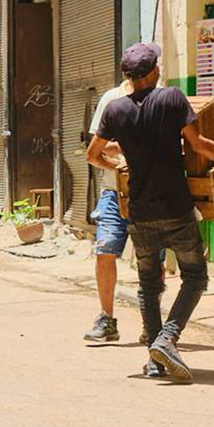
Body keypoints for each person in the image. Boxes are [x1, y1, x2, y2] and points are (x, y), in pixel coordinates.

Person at [88, 42, 214, 383]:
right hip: (176, 209)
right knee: (195, 276)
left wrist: (115, 165)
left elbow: (92, 153)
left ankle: (155, 361)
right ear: (154, 72)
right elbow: (198, 144)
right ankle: (167, 337)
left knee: (148, 284)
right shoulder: (171, 98)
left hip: (139, 212)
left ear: (128, 76)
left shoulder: (114, 110)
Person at [83, 74, 135, 345]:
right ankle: (106, 319)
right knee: (105, 251)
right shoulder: (111, 99)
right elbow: (95, 148)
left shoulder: (160, 96)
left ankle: (153, 325)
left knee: (153, 258)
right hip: (113, 192)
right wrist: (119, 167)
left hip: (149, 192)